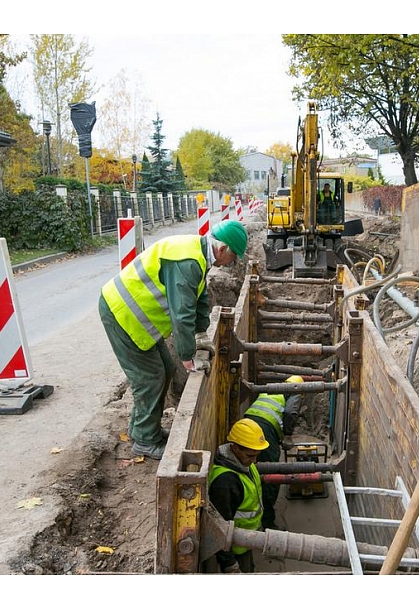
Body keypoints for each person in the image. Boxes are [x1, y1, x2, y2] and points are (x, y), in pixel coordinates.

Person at [98, 220, 249, 460]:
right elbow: (182, 314)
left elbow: (198, 298)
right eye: (233, 257)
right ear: (222, 250)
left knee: (165, 369)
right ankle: (145, 442)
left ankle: (144, 431)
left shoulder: (198, 256)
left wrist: (201, 333)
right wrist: (188, 356)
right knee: (150, 377)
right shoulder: (188, 263)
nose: (233, 263)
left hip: (138, 319)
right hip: (122, 314)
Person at [208, 418, 269, 573]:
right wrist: (230, 565)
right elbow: (219, 528)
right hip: (236, 549)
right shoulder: (225, 484)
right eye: (250, 455)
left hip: (247, 541)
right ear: (235, 448)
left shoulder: (244, 464)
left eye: (257, 455)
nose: (254, 461)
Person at [243, 375, 303, 530]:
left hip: (248, 422)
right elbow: (290, 412)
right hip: (265, 428)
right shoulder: (295, 392)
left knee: (251, 466)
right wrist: (288, 435)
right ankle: (268, 522)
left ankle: (252, 503)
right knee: (272, 472)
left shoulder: (274, 389)